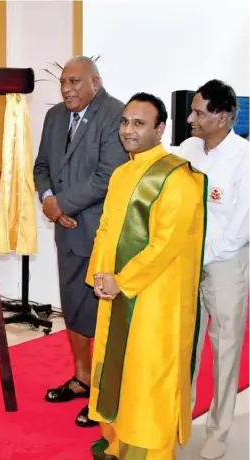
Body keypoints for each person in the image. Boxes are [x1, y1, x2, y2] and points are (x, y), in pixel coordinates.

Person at [86, 93, 207, 459]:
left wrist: (122, 281)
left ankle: (150, 452)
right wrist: (99, 276)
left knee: (150, 374)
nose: (128, 130)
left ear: (160, 129)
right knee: (117, 367)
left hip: (157, 298)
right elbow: (106, 228)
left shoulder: (179, 178)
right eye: (125, 122)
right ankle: (117, 439)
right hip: (118, 291)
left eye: (139, 123)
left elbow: (165, 245)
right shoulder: (123, 173)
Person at [33, 55, 128, 427]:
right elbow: (42, 166)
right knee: (73, 308)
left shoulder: (115, 114)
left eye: (76, 82)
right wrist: (48, 202)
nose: (68, 89)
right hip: (67, 231)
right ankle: (82, 378)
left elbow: (108, 176)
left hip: (104, 234)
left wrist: (61, 204)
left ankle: (106, 395)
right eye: (63, 83)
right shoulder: (55, 116)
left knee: (104, 315)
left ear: (96, 82)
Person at [178, 79, 249, 460]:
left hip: (225, 264)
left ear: (223, 118)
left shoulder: (244, 157)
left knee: (225, 348)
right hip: (189, 265)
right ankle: (183, 416)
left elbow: (242, 224)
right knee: (186, 346)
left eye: (200, 112)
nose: (191, 118)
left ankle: (220, 430)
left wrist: (207, 257)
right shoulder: (189, 149)